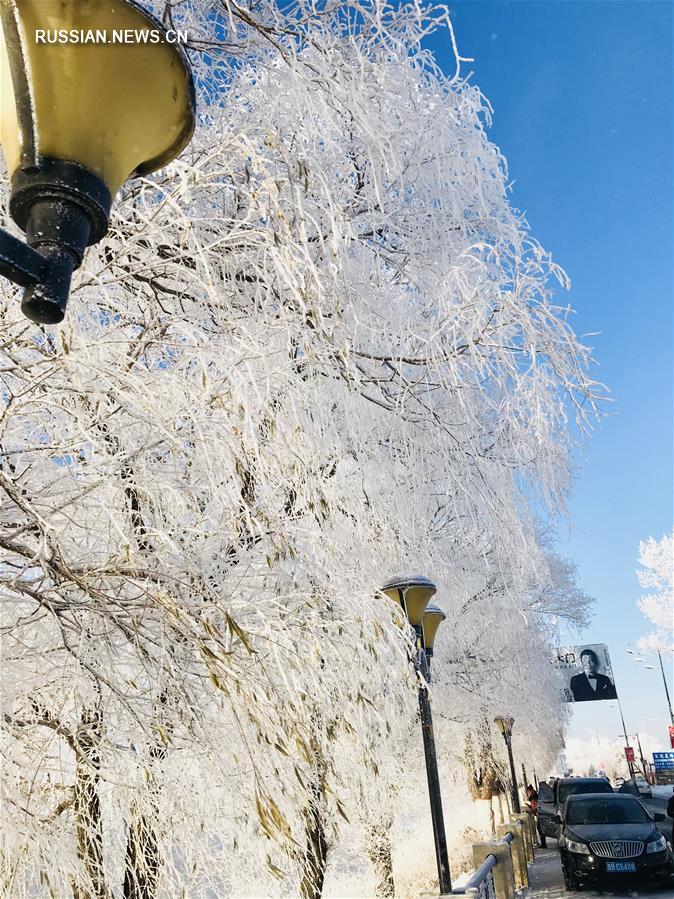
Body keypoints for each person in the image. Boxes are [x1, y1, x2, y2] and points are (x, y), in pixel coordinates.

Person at [525, 784, 546, 848]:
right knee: (540, 828)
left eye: (528, 792)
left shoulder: (534, 797)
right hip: (539, 814)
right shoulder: (534, 796)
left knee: (540, 828)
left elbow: (535, 807)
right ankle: (543, 843)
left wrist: (530, 809)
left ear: (530, 791)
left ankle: (544, 844)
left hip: (539, 814)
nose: (528, 793)